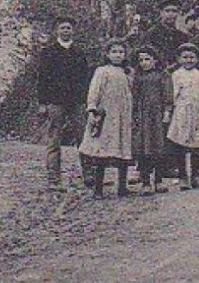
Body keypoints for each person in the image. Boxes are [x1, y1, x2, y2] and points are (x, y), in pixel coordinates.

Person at [36, 15, 92, 190]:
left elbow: (85, 78)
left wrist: (86, 101)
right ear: (56, 31)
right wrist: (42, 102)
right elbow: (42, 78)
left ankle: (89, 175)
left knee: (84, 138)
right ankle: (53, 179)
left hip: (77, 101)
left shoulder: (79, 53)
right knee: (54, 139)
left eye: (68, 28)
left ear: (73, 31)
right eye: (62, 28)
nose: (66, 31)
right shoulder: (48, 52)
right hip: (55, 101)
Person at [79, 39, 134, 199]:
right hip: (106, 115)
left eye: (121, 52)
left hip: (123, 115)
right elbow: (94, 91)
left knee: (123, 149)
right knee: (101, 151)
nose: (118, 55)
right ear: (107, 54)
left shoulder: (128, 72)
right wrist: (92, 109)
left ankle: (122, 186)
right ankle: (98, 188)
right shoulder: (102, 71)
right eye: (114, 52)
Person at [129, 44, 172, 195]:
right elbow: (134, 96)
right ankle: (145, 182)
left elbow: (167, 95)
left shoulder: (162, 75)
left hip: (157, 116)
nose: (144, 63)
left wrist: (167, 112)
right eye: (141, 60)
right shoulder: (138, 77)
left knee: (159, 148)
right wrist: (134, 114)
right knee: (143, 148)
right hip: (142, 116)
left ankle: (159, 181)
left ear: (155, 60)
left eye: (147, 59)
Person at [166, 42, 199, 187]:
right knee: (180, 144)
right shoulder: (176, 75)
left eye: (192, 57)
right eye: (185, 57)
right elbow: (172, 96)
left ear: (197, 59)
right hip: (182, 112)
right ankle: (183, 175)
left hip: (197, 112)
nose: (188, 60)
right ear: (179, 59)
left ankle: (195, 175)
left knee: (197, 144)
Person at [142, 0, 190, 69]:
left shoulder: (182, 36)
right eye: (167, 11)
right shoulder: (152, 33)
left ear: (178, 13)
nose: (171, 14)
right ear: (161, 13)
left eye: (174, 11)